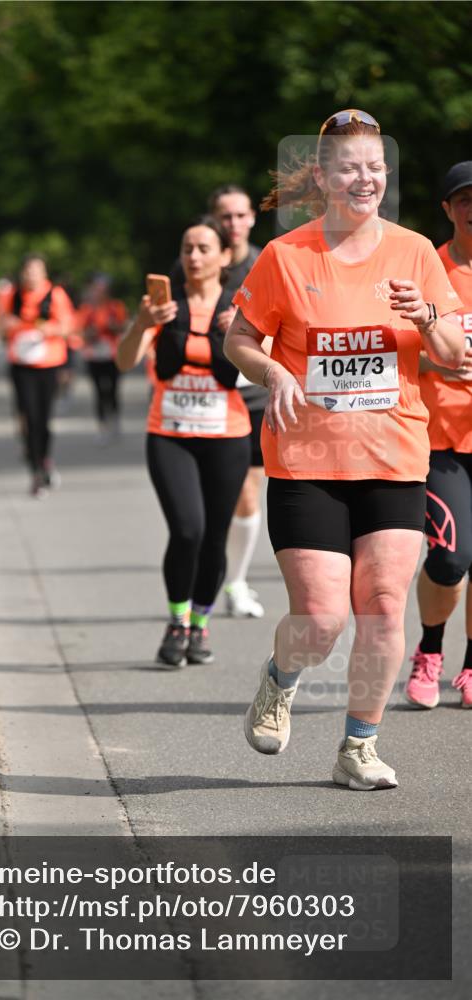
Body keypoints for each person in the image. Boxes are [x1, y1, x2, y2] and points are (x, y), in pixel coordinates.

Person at [224, 109, 465, 789]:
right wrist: (270, 369)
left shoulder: (416, 252)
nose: (364, 179)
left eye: (375, 168)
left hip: (392, 457)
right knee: (323, 617)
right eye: (350, 168)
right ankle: (281, 676)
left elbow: (452, 354)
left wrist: (423, 315)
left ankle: (357, 746)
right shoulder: (286, 256)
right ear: (324, 177)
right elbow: (237, 339)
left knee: (385, 605)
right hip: (307, 462)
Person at [117, 216, 251, 667]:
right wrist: (140, 323)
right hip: (169, 434)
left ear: (224, 257)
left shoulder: (242, 306)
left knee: (215, 536)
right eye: (187, 248)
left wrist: (244, 333)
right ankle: (176, 621)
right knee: (187, 529)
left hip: (226, 437)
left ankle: (200, 621)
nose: (194, 257)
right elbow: (124, 360)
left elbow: (262, 369)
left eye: (204, 248)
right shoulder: (162, 306)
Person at [173, 186, 266, 618]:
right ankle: (210, 572)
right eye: (224, 216)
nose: (233, 224)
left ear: (251, 219)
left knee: (248, 493)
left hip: (255, 394)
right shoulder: (192, 260)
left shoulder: (269, 261)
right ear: (214, 218)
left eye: (240, 215)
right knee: (209, 503)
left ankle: (236, 581)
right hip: (209, 395)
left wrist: (249, 329)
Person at [405, 162, 472, 710]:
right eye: (463, 198)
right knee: (451, 559)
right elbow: (398, 350)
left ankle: (471, 662)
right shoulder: (428, 266)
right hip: (439, 439)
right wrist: (442, 368)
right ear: (448, 209)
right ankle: (429, 649)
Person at [0, 254, 76, 497]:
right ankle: (35, 470)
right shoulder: (12, 295)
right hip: (21, 364)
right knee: (27, 416)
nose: (31, 275)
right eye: (28, 271)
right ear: (22, 273)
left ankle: (44, 459)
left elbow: (68, 327)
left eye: (36, 271)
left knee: (43, 418)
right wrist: (9, 325)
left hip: (49, 364)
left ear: (44, 274)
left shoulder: (56, 295)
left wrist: (49, 328)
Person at [78, 273, 128, 443]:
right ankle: (102, 426)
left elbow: (122, 327)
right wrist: (90, 333)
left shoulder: (116, 306)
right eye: (96, 289)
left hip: (112, 355)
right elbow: (81, 331)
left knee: (113, 390)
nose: (98, 293)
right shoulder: (87, 309)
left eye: (102, 289)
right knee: (99, 392)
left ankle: (115, 421)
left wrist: (111, 326)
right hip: (94, 355)